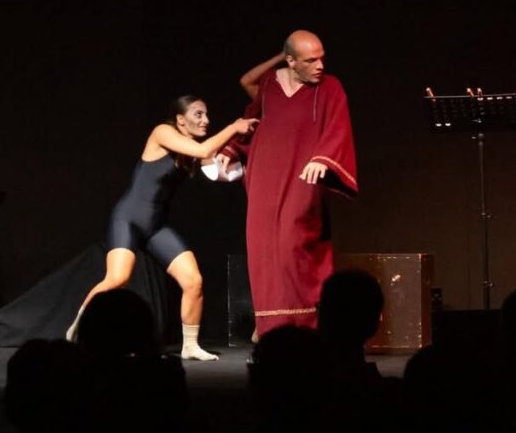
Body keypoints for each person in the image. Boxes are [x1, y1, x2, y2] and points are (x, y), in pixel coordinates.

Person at [65, 96, 258, 360]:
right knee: (118, 279)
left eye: (206, 115)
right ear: (180, 119)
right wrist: (234, 127)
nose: (206, 120)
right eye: (198, 114)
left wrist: (245, 154)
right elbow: (205, 151)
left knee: (193, 281)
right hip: (128, 219)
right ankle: (80, 326)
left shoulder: (192, 151)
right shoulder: (163, 132)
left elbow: (222, 169)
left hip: (156, 227)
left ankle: (190, 346)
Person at [218, 30, 357, 341]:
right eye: (311, 60)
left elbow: (338, 125)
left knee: (293, 245)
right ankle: (269, 326)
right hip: (265, 176)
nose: (320, 65)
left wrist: (323, 157)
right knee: (263, 247)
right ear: (291, 61)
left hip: (304, 176)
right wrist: (231, 150)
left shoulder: (330, 87)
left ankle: (306, 324)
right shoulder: (269, 84)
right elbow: (251, 121)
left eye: (322, 58)